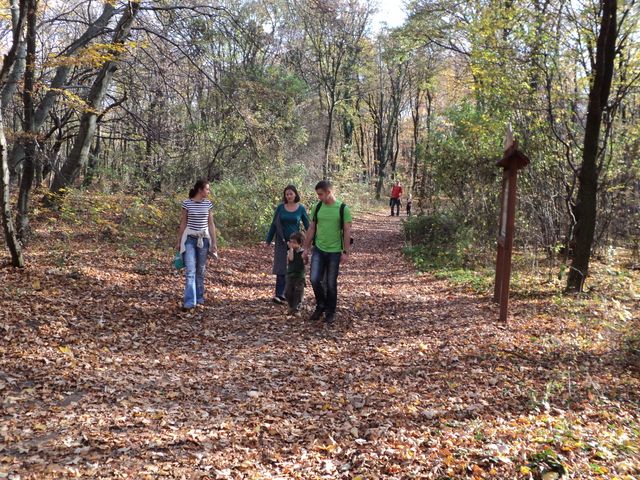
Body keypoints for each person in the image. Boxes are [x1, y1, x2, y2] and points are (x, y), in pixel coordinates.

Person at [303, 180, 352, 325]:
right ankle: (321, 305)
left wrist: (346, 252)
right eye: (318, 194)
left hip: (335, 252)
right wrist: (305, 248)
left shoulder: (343, 208)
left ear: (329, 192)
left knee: (331, 283)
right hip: (319, 249)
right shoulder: (317, 207)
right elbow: (312, 228)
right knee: (314, 279)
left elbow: (347, 231)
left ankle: (330, 312)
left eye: (321, 194)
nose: (319, 197)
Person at [175, 179, 218, 311]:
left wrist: (214, 243)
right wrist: (179, 241)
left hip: (203, 240)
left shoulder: (208, 204)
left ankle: (199, 297)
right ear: (200, 190)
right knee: (190, 270)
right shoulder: (187, 203)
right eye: (207, 189)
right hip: (189, 239)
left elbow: (211, 224)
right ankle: (189, 302)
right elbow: (183, 222)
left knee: (200, 270)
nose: (208, 191)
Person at [266, 185, 310, 304]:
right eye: (287, 194)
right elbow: (274, 224)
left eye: (291, 194)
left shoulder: (300, 208)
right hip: (281, 240)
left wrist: (312, 239)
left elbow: (307, 224)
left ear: (295, 194)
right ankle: (279, 294)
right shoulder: (280, 207)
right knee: (281, 266)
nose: (289, 196)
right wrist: (268, 240)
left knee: (293, 266)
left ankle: (292, 293)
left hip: (295, 242)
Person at [285, 231, 306, 315]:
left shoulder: (303, 252)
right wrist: (290, 249)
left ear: (300, 243)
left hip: (299, 276)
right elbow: (290, 259)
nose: (292, 244)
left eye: (294, 242)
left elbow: (305, 262)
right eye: (291, 242)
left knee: (298, 292)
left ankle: (296, 309)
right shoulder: (290, 251)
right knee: (288, 292)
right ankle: (291, 306)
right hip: (290, 275)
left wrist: (305, 258)